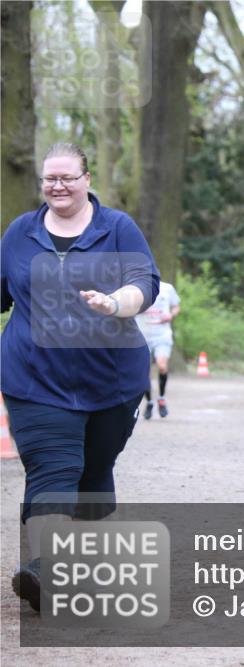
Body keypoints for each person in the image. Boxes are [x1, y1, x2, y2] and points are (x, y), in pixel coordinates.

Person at [0, 143, 160, 611]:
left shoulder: (117, 228)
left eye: (67, 177)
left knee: (92, 472)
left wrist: (114, 303)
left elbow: (142, 284)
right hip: (35, 378)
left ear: (87, 179)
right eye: (50, 178)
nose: (57, 185)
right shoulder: (20, 234)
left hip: (110, 380)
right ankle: (46, 571)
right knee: (53, 467)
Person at [137, 281, 181, 419]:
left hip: (162, 335)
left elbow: (176, 306)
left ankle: (161, 399)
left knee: (162, 366)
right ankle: (149, 402)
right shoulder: (136, 287)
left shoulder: (167, 288)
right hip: (142, 335)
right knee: (144, 372)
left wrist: (171, 315)